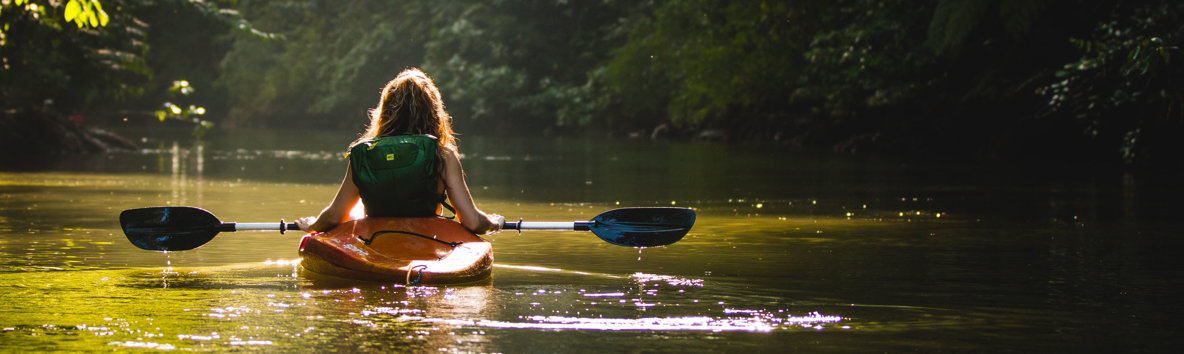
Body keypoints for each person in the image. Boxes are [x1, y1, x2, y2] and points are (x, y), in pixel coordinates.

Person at [296, 68, 503, 234]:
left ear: (385, 111)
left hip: (375, 242)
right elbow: (473, 222)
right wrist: (493, 222)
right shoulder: (443, 156)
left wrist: (313, 225)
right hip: (427, 241)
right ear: (433, 112)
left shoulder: (364, 155)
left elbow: (335, 216)